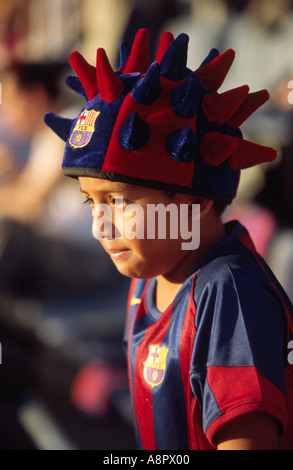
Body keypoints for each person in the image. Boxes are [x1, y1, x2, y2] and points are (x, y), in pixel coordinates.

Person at [45, 29, 293, 450]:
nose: (100, 226)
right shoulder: (149, 272)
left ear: (195, 201)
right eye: (91, 202)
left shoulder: (229, 296)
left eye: (120, 201)